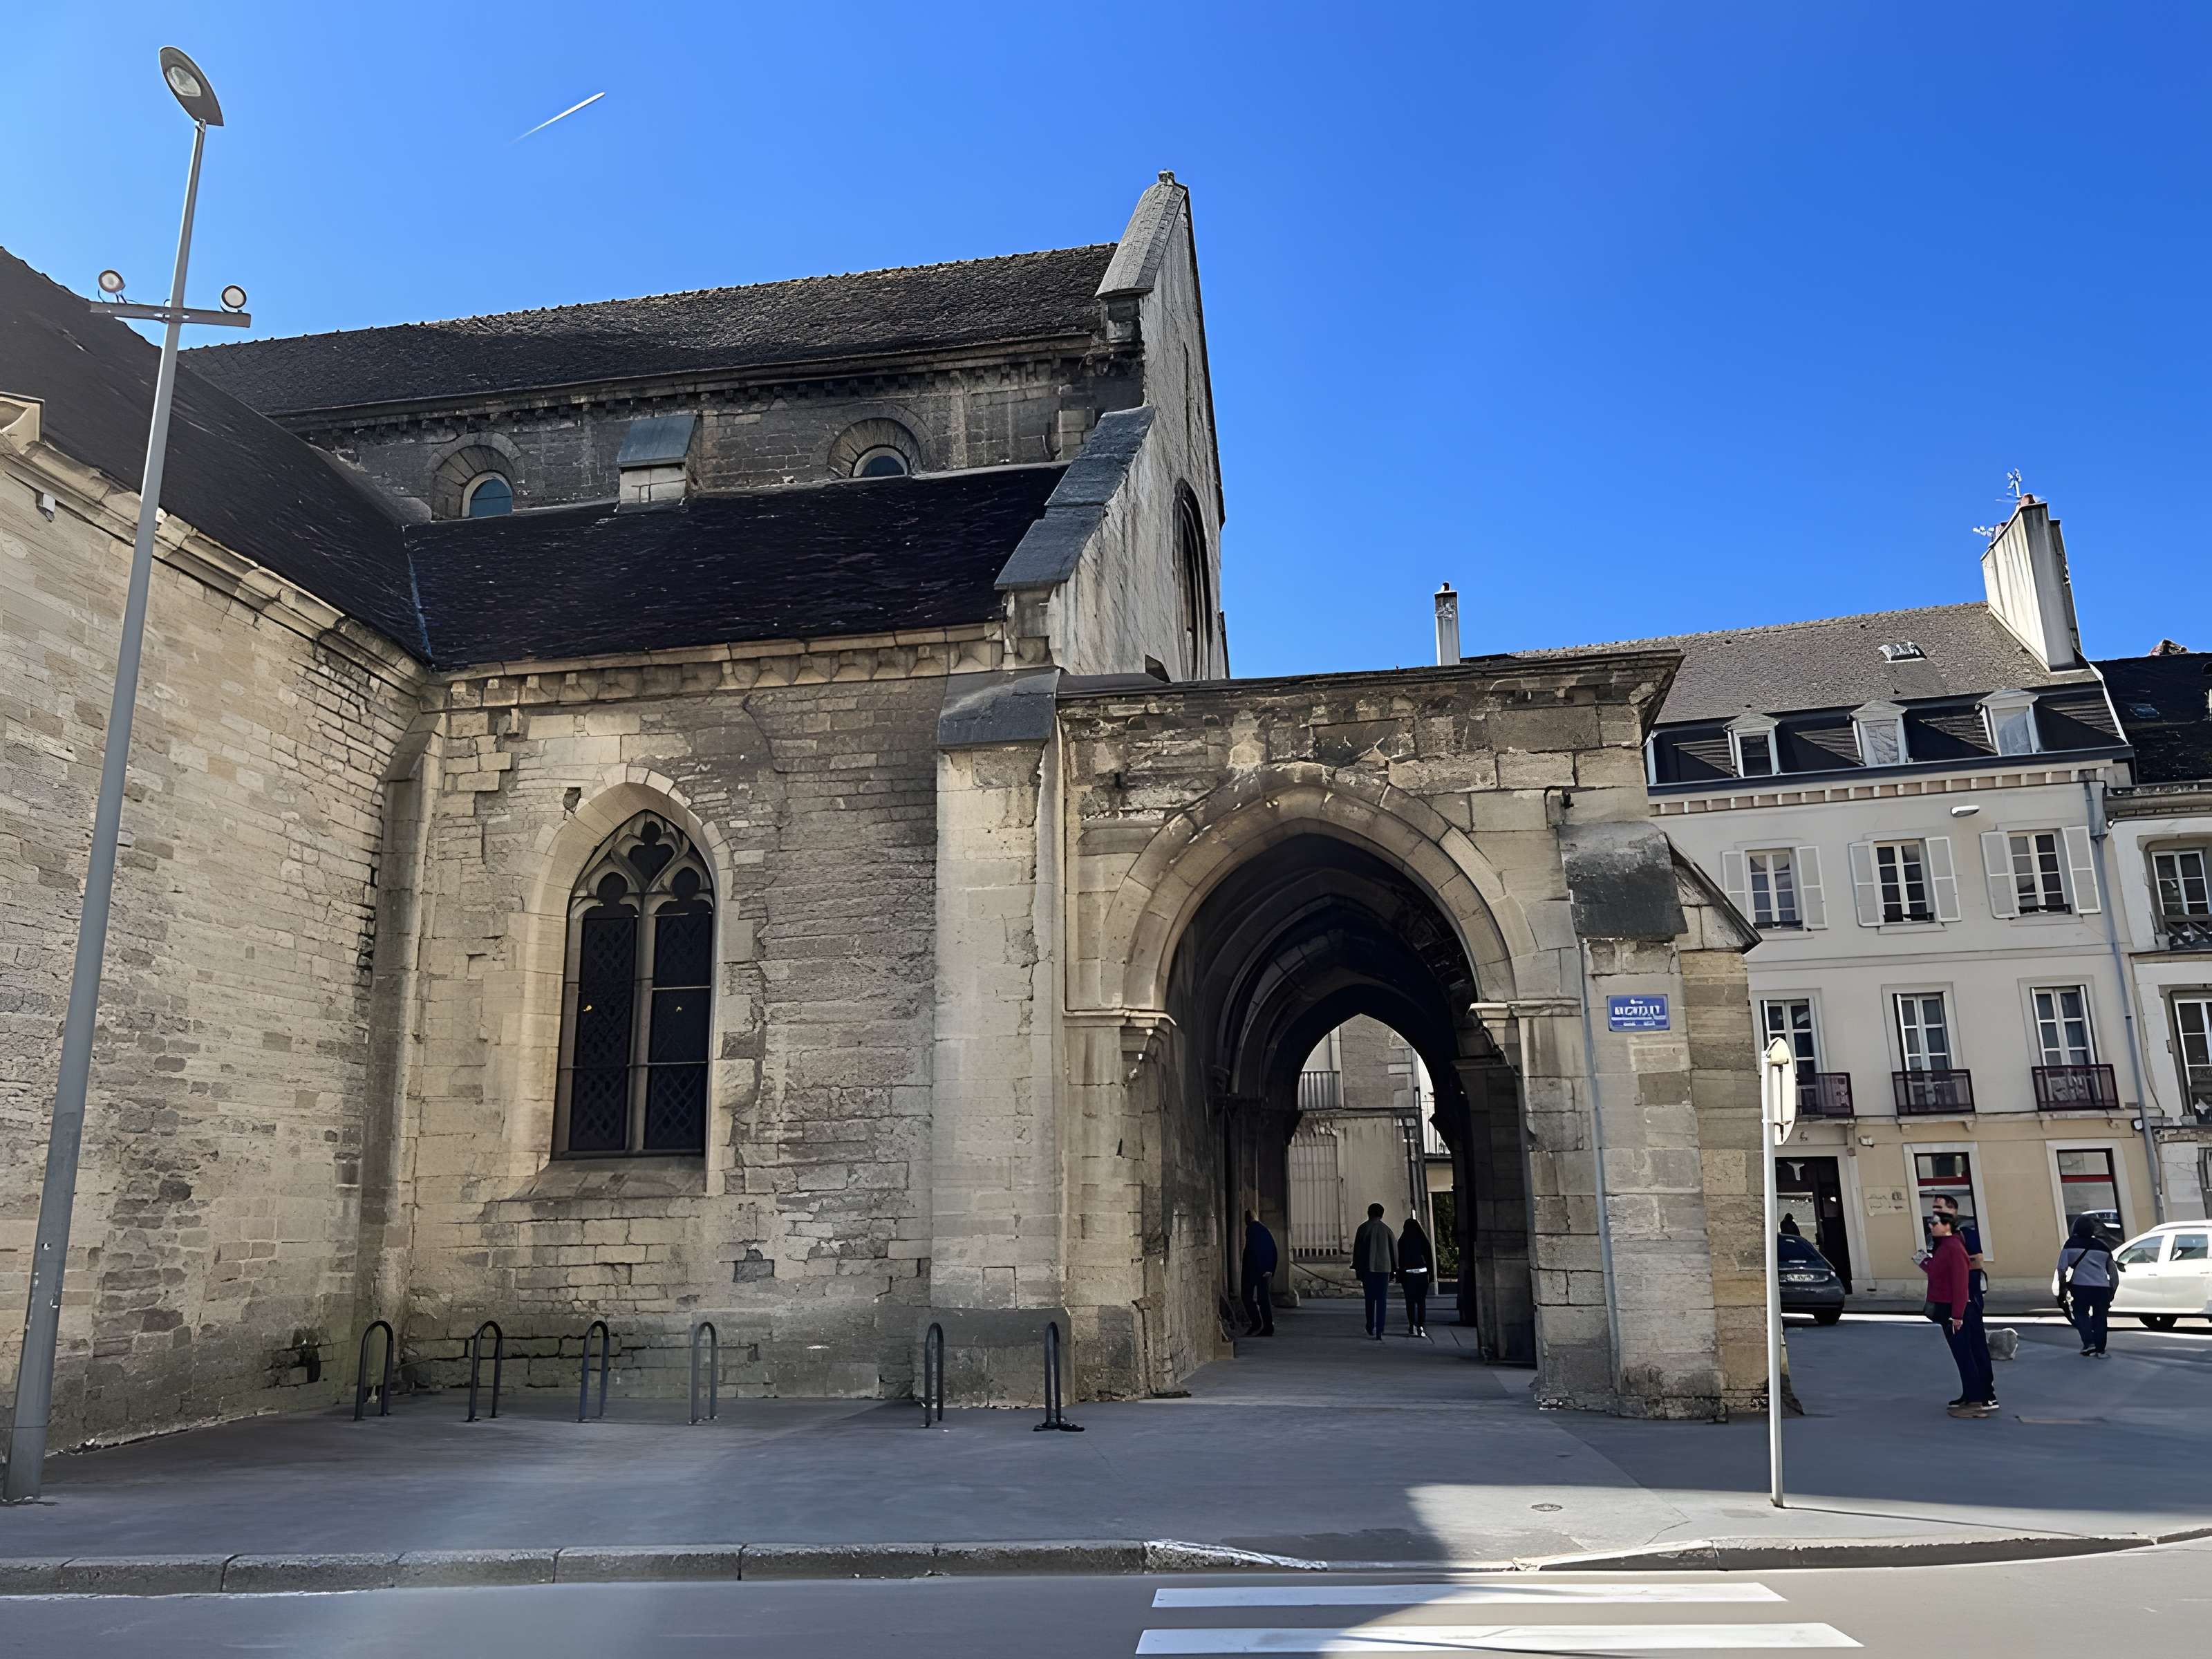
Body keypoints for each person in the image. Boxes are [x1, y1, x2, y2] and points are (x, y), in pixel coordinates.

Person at [1929, 1195, 1997, 1411]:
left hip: (1969, 1300)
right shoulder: (1943, 1242)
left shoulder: (1964, 1237)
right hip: (1953, 1301)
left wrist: (1956, 1269)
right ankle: (1971, 1393)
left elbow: (1973, 1265)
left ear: (1952, 1211)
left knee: (1975, 1348)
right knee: (1964, 1351)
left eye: (1939, 1209)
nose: (1935, 1214)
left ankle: (1986, 1395)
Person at [2056, 1214, 2117, 1357]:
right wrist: (2112, 1290)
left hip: (2081, 1287)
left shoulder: (2070, 1244)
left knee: (2080, 1314)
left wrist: (2063, 1288)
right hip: (2102, 1288)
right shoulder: (2103, 1247)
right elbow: (2114, 1273)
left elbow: (2062, 1269)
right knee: (2100, 1318)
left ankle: (2089, 1343)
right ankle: (2100, 1348)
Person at [1351, 1203, 1398, 1340]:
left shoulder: (1363, 1229)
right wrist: (1395, 1269)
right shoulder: (1387, 1230)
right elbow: (1394, 1251)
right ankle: (1380, 1328)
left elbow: (1357, 1252)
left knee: (1370, 1299)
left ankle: (1370, 1325)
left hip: (1367, 1269)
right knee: (1382, 1299)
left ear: (1369, 1213)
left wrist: (1357, 1268)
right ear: (1381, 1214)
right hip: (1384, 1269)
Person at [1240, 1211, 1278, 1336]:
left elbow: (1253, 1252)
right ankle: (1267, 1326)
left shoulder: (1252, 1230)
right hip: (1265, 1270)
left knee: (1247, 1296)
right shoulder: (1264, 1230)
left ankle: (1257, 1323)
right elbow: (1273, 1250)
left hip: (1254, 1270)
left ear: (1248, 1219)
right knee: (1263, 1300)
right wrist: (1270, 1269)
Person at [1398, 1217, 1434, 1337]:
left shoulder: (1402, 1241)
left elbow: (1399, 1261)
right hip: (1422, 1274)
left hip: (1407, 1275)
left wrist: (1399, 1276)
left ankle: (1412, 1324)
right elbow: (1429, 1259)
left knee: (1410, 1302)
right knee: (1421, 1301)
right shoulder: (1423, 1240)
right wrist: (1432, 1275)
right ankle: (1421, 1325)